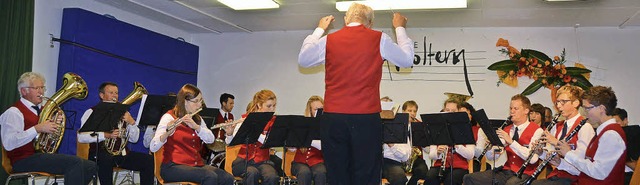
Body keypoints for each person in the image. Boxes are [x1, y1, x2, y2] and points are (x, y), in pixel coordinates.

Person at [298, 2, 413, 184]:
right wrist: (399, 28)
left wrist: (319, 29)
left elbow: (304, 59)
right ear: (370, 22)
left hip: (333, 118)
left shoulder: (330, 40)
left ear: (345, 19)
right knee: (366, 174)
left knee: (337, 174)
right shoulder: (379, 38)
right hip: (366, 118)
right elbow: (407, 60)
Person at [0, 72, 96, 184]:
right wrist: (37, 128)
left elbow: (47, 141)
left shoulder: (44, 110)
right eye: (36, 88)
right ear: (23, 91)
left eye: (42, 87)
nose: (41, 91)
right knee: (75, 163)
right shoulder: (13, 112)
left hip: (40, 155)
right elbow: (8, 143)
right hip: (22, 160)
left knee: (91, 166)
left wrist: (55, 126)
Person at [150, 84, 234, 184]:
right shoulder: (169, 117)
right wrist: (167, 133)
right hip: (172, 167)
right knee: (210, 177)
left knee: (227, 178)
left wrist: (197, 127)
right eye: (196, 101)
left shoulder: (197, 119)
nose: (199, 105)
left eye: (200, 101)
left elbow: (211, 139)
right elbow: (153, 147)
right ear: (185, 101)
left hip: (195, 165)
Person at [78, 82, 155, 185]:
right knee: (106, 159)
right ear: (101, 95)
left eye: (116, 93)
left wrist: (132, 122)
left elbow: (134, 139)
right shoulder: (91, 112)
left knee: (148, 160)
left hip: (120, 154)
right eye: (111, 92)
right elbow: (81, 137)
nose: (115, 95)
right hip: (99, 153)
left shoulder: (124, 113)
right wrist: (105, 135)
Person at [463, 94, 543, 185]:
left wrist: (511, 142)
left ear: (526, 111)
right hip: (506, 171)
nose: (512, 112)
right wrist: (491, 147)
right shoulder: (507, 129)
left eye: (516, 109)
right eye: (511, 108)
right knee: (470, 178)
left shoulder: (537, 131)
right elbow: (492, 157)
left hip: (525, 173)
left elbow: (533, 159)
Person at [555, 86, 627, 184]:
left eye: (587, 108)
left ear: (602, 108)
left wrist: (568, 153)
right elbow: (586, 166)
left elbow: (598, 172)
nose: (585, 113)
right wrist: (560, 163)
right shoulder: (603, 131)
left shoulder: (611, 134)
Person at [530, 85, 595, 185]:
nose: (559, 106)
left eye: (563, 102)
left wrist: (556, 142)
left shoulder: (585, 127)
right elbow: (552, 157)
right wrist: (540, 153)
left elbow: (582, 165)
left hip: (575, 179)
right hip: (557, 176)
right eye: (557, 102)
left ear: (576, 103)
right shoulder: (557, 127)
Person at [223, 89, 280, 185]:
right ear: (259, 105)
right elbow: (230, 143)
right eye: (269, 106)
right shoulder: (246, 120)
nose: (272, 109)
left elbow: (270, 141)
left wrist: (255, 132)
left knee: (272, 176)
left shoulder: (273, 122)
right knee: (252, 173)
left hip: (263, 161)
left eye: (274, 106)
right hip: (243, 161)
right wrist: (229, 133)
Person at [426, 99, 474, 185]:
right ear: (443, 111)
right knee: (430, 177)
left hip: (459, 168)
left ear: (459, 112)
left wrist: (457, 145)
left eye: (453, 111)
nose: (450, 113)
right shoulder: (437, 128)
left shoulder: (466, 129)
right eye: (447, 110)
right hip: (440, 166)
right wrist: (438, 152)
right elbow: (431, 155)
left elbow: (470, 155)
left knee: (451, 180)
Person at [291, 95, 327, 185]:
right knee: (304, 173)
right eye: (315, 109)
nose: (319, 112)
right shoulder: (302, 125)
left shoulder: (327, 126)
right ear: (310, 110)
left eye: (321, 109)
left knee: (321, 172)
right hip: (299, 163)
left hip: (318, 162)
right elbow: (292, 148)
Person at [402, 100, 429, 185]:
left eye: (414, 111)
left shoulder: (420, 125)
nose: (412, 113)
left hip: (414, 159)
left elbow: (427, 150)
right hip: (399, 157)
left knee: (423, 170)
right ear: (403, 112)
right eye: (409, 111)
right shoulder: (397, 125)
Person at [615, 108, 637, 185]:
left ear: (625, 120)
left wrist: (623, 156)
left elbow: (636, 166)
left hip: (629, 177)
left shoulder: (634, 136)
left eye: (616, 122)